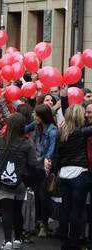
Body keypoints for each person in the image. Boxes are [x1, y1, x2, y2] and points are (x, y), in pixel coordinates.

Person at [52, 105, 92, 250]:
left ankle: (64, 241)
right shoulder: (82, 132)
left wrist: (55, 173)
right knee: (77, 210)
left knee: (65, 208)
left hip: (63, 174)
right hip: (79, 174)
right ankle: (73, 242)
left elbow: (57, 155)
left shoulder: (61, 132)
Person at [0, 113, 37, 250]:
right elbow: (32, 163)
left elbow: (0, 156)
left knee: (6, 211)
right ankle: (18, 239)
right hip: (20, 181)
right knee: (18, 211)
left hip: (2, 180)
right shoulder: (27, 143)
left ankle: (7, 242)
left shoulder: (1, 140)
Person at [25, 104, 58, 237]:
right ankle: (37, 223)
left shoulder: (52, 130)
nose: (34, 116)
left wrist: (47, 160)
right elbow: (21, 129)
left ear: (43, 116)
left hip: (45, 168)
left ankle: (44, 224)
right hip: (34, 166)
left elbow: (51, 148)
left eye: (36, 115)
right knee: (36, 196)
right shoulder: (36, 125)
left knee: (44, 197)